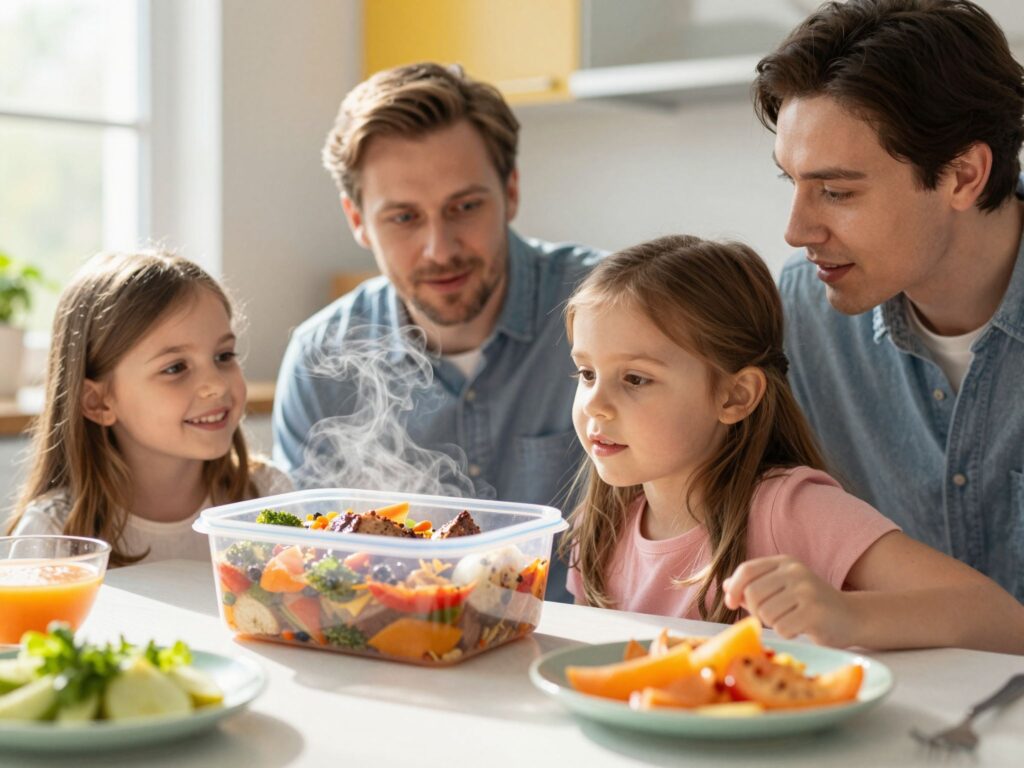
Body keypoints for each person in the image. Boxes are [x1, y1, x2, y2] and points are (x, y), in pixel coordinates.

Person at [563, 235, 1024, 653]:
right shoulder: (599, 528)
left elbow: (1000, 619)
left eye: (636, 379)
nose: (596, 405)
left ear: (735, 395)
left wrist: (848, 615)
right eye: (587, 374)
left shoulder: (789, 510)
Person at [273, 63, 602, 602]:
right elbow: (310, 571)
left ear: (511, 190)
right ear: (357, 220)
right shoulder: (320, 361)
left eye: (465, 207)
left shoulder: (611, 311)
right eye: (403, 217)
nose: (440, 248)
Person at [753, 0, 1024, 600]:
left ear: (962, 176)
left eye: (837, 191)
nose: (796, 231)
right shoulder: (800, 313)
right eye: (791, 182)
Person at [6, 251, 292, 565]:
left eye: (224, 356)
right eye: (175, 368)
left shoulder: (267, 495)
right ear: (97, 401)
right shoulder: (52, 533)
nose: (218, 385)